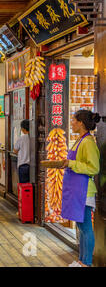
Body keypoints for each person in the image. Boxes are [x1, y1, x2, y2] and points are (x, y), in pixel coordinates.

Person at [61, 110, 100, 267]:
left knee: (85, 228)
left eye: (73, 120)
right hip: (77, 190)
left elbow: (94, 168)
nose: (72, 123)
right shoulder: (80, 140)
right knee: (81, 227)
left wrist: (71, 164)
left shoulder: (88, 142)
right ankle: (81, 261)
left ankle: (87, 263)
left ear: (81, 123)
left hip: (84, 191)